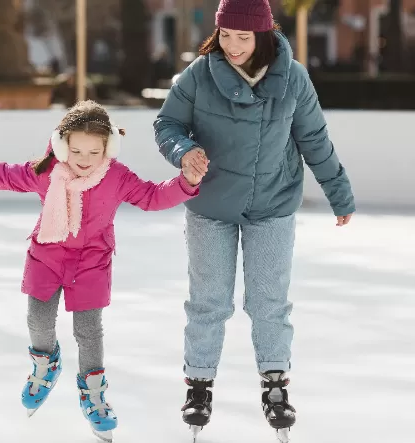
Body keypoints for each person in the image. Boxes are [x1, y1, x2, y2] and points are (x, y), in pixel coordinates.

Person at [0, 100, 208, 441]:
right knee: (38, 321)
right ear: (62, 145)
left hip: (92, 263)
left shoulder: (117, 177)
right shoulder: (46, 172)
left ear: (108, 148)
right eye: (76, 150)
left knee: (89, 331)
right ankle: (46, 364)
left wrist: (186, 182)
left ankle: (93, 390)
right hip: (46, 257)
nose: (84, 159)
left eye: (94, 151)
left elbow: (151, 197)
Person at [153, 0, 355, 441]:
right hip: (211, 205)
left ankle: (275, 383)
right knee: (208, 301)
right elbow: (167, 124)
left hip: (273, 204)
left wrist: (338, 192)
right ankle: (200, 383)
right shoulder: (199, 74)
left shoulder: (293, 78)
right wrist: (183, 151)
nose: (233, 46)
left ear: (263, 34)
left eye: (243, 37)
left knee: (269, 301)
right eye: (226, 35)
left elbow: (314, 139)